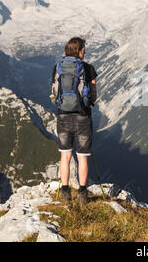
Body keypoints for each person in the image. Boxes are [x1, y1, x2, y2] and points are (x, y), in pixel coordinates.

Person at [51, 37, 97, 205]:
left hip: (63, 116)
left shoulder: (58, 67)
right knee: (82, 157)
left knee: (65, 155)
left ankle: (64, 192)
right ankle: (82, 193)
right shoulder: (88, 68)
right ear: (79, 50)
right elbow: (93, 95)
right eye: (83, 49)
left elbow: (54, 91)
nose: (85, 51)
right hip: (83, 117)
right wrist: (88, 101)